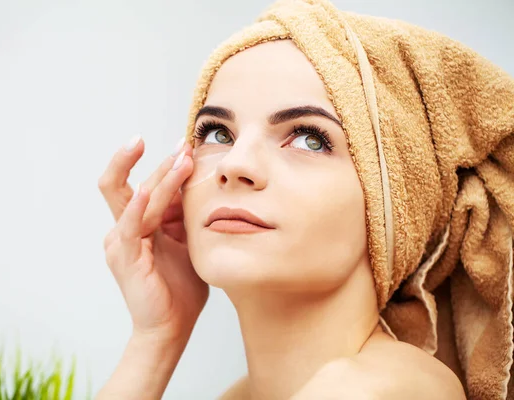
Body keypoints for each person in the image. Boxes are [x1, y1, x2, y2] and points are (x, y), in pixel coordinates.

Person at [96, 0, 514, 398]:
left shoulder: (386, 390)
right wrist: (156, 336)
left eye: (310, 139)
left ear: (391, 206)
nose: (235, 163)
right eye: (218, 133)